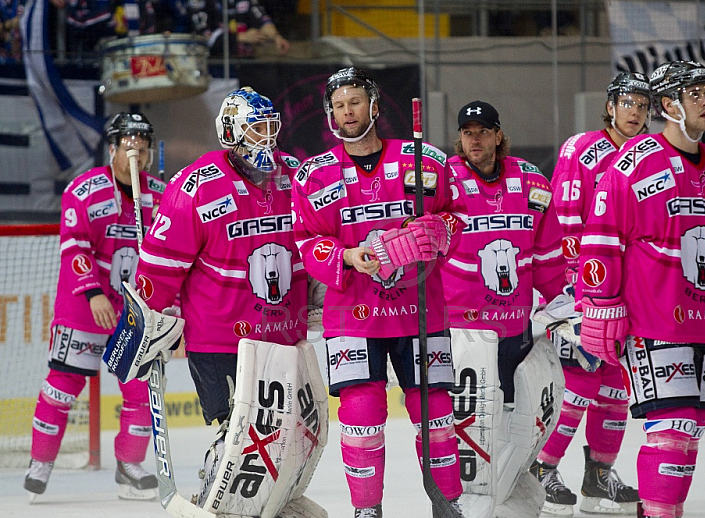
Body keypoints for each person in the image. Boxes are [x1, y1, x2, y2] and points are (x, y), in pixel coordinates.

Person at [577, 61, 705, 518]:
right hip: (652, 321)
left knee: (691, 428)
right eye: (695, 93)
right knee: (672, 427)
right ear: (668, 104)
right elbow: (601, 237)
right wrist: (602, 305)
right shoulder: (635, 163)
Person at [130, 87, 326, 515]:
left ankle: (272, 502)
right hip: (222, 340)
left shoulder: (292, 175)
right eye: (256, 130)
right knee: (237, 431)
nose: (267, 140)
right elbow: (160, 266)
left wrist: (319, 280)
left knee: (288, 430)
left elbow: (321, 236)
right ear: (230, 134)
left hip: (283, 332)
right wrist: (147, 321)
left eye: (271, 129)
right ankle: (217, 503)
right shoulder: (195, 187)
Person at [292, 67, 465, 518]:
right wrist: (347, 257)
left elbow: (456, 216)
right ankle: (367, 510)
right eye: (339, 105)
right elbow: (307, 242)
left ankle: (448, 504)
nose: (347, 112)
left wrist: (438, 230)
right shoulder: (314, 175)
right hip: (353, 314)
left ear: (373, 105)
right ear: (331, 114)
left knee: (437, 415)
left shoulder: (422, 160)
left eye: (355, 102)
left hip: (420, 312)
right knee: (362, 416)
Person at [441, 100, 572, 516]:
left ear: (498, 135)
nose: (474, 139)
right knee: (471, 427)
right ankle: (466, 503)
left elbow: (549, 254)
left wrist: (563, 305)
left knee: (515, 423)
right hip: (461, 333)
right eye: (467, 132)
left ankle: (510, 494)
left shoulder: (531, 180)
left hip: (513, 329)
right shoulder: (444, 182)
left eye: (482, 131)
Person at [24, 112, 164, 500]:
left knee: (140, 391)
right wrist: (93, 292)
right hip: (85, 307)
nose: (137, 151)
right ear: (113, 148)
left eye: (144, 144)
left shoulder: (161, 194)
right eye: (129, 145)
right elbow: (74, 245)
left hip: (134, 313)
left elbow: (168, 253)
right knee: (62, 387)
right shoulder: (84, 190)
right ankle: (41, 463)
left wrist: (167, 306)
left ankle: (129, 466)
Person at [532, 71, 650, 516]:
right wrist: (578, 284)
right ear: (611, 104)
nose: (635, 113)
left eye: (643, 105)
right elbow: (565, 216)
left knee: (617, 389)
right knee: (579, 382)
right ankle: (543, 467)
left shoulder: (649, 154)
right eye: (628, 103)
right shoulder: (582, 148)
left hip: (631, 291)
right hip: (586, 286)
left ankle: (599, 477)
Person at [186, 0, 289, 58]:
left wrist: (276, 37)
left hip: (246, 67)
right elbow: (204, 37)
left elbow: (260, 18)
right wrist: (241, 37)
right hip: (215, 71)